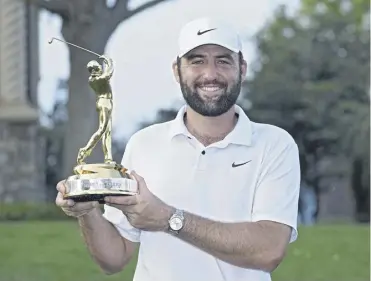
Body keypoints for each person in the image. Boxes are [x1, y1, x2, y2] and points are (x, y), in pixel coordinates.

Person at [56, 17, 301, 281]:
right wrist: (88, 213)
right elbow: (114, 259)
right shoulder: (144, 143)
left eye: (223, 60)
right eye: (196, 61)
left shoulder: (274, 144)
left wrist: (168, 218)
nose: (210, 74)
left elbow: (269, 250)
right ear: (177, 70)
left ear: (242, 68)